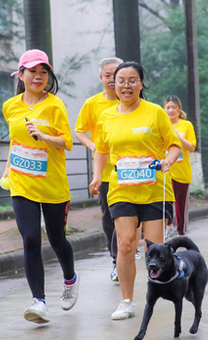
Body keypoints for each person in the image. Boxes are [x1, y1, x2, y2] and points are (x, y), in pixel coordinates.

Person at [89, 61, 182, 320]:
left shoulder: (155, 113)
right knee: (126, 244)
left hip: (154, 190)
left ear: (141, 84)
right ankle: (127, 301)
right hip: (122, 189)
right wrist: (97, 175)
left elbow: (174, 145)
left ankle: (158, 292)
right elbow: (102, 150)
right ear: (113, 84)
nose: (126, 85)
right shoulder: (106, 116)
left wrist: (168, 160)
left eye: (132, 80)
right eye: (121, 80)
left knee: (155, 249)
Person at [2, 49, 79, 324]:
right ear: (20, 75)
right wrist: (8, 168)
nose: (38, 76)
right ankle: (39, 302)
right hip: (21, 184)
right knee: (31, 239)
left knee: (57, 240)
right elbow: (15, 142)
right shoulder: (10, 106)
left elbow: (67, 142)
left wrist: (44, 136)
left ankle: (70, 278)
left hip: (53, 185)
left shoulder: (55, 105)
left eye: (43, 72)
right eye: (33, 71)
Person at [75, 57, 123, 282]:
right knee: (109, 215)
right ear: (101, 78)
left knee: (131, 213)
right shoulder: (92, 104)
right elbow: (80, 130)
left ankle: (127, 248)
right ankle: (116, 260)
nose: (112, 80)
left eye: (116, 75)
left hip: (130, 169)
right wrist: (94, 145)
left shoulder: (134, 100)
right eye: (108, 75)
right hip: (104, 170)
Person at [164, 95, 197, 237]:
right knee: (166, 202)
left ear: (179, 109)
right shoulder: (161, 125)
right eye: (168, 107)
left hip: (182, 172)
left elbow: (191, 147)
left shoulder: (186, 125)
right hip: (165, 171)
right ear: (164, 109)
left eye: (174, 107)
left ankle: (181, 232)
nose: (171, 110)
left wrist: (178, 136)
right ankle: (168, 226)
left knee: (181, 205)